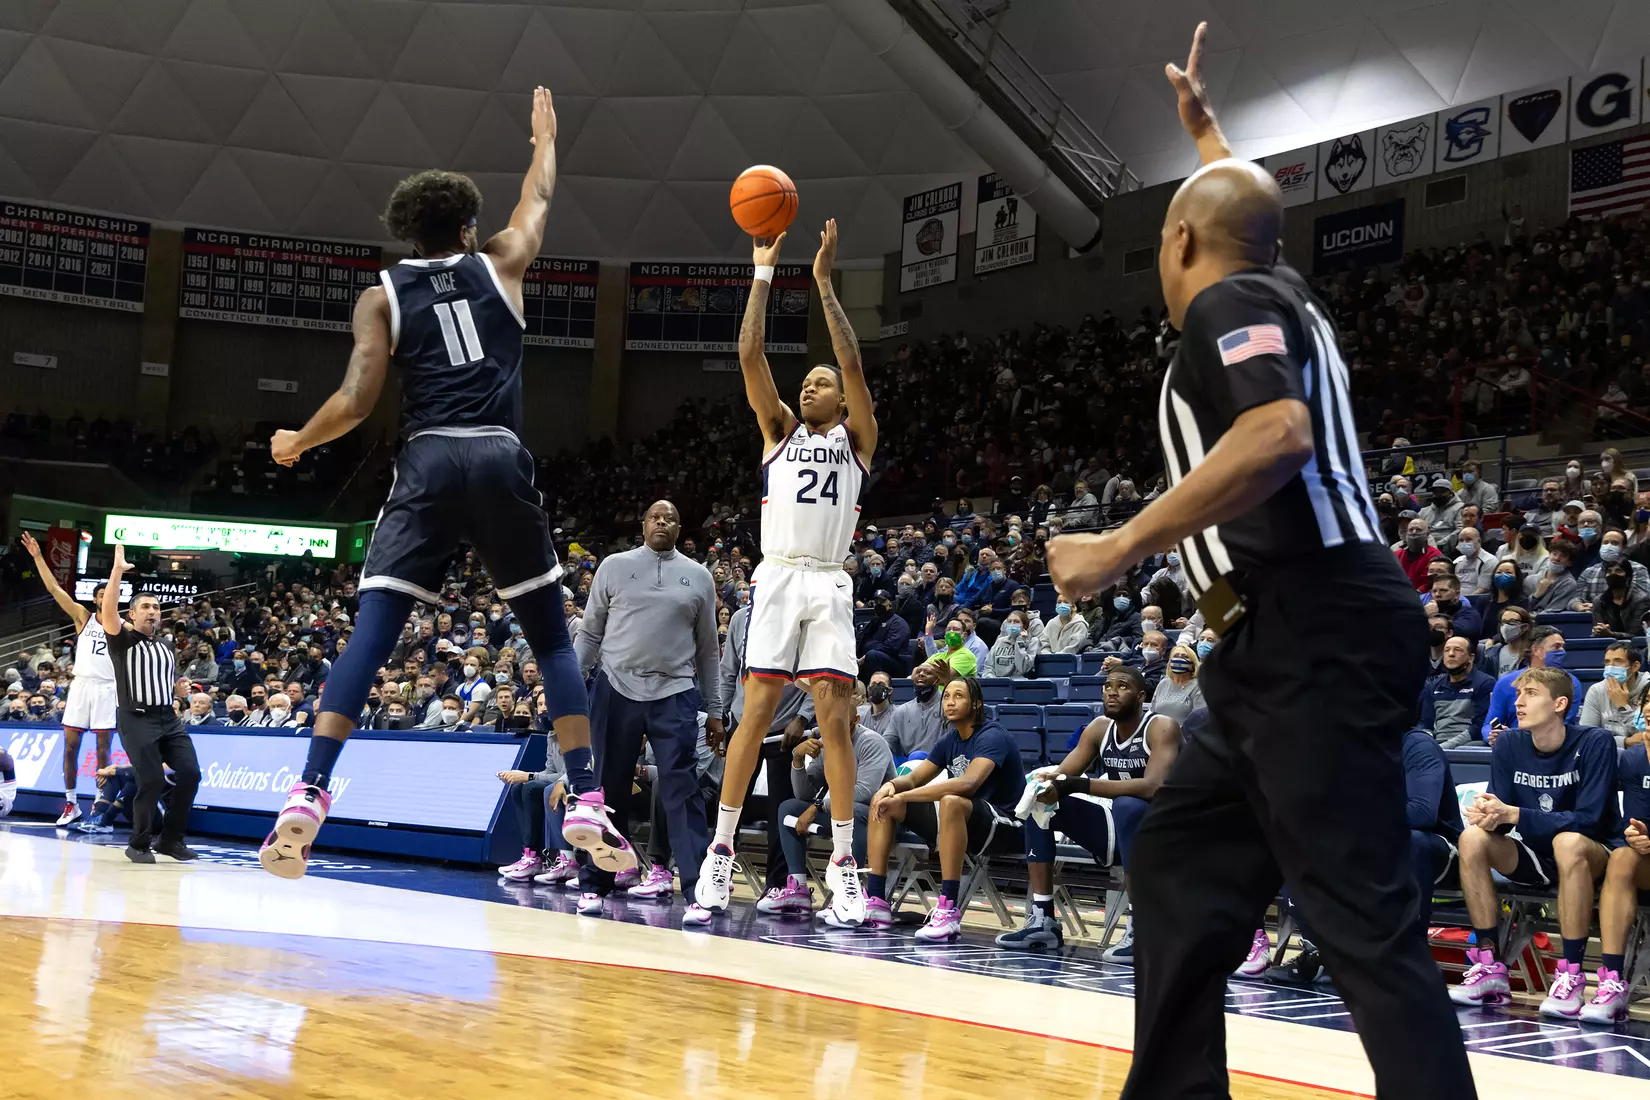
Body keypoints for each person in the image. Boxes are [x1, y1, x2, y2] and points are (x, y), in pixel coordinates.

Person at [1046, 25, 1474, 1097]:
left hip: (1308, 626)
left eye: (1167, 233)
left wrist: (1118, 544)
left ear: (1179, 238)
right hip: (1273, 644)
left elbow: (1277, 434)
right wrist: (1207, 136)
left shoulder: (1228, 303)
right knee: (1179, 855)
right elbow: (1247, 217)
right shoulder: (1280, 291)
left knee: (1362, 918)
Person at [257, 89, 627, 881]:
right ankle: (589, 797)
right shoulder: (500, 262)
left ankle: (310, 791)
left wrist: (296, 438)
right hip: (497, 453)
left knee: (373, 632)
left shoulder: (379, 295)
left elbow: (356, 403)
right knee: (551, 636)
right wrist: (544, 141)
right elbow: (539, 199)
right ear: (466, 227)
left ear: (405, 232)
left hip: (428, 461)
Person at [694, 218, 873, 927]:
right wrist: (763, 273)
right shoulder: (778, 432)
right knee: (758, 710)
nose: (812, 387)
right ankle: (720, 851)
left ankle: (845, 865)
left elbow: (854, 364)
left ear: (840, 400)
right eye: (806, 381)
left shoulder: (856, 440)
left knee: (834, 717)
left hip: (828, 579)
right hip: (777, 575)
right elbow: (748, 352)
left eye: (821, 382)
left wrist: (825, 283)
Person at [573, 500, 723, 925]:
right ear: (643, 525)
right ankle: (594, 884)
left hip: (675, 691)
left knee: (682, 790)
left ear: (680, 528)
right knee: (607, 789)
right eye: (656, 516)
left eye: (672, 517)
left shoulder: (698, 576)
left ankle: (696, 891)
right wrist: (570, 688)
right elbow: (590, 632)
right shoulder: (614, 566)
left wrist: (715, 710)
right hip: (615, 685)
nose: (663, 521)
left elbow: (709, 651)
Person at [1450, 668, 1616, 1019]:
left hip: (1594, 857)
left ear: (1559, 704)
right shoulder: (1509, 743)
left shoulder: (1595, 742)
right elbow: (1503, 818)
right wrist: (1488, 815)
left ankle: (1571, 974)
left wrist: (1514, 814)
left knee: (1569, 842)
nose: (1519, 702)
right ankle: (1489, 964)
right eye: (1518, 694)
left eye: (1530, 693)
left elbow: (1590, 820)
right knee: (1471, 838)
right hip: (1537, 856)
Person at [998, 669, 1180, 955]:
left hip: (1167, 835)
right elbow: (1063, 777)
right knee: (1042, 801)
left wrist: (1079, 784)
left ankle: (1143, 926)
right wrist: (1047, 785)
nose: (1112, 691)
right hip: (1122, 828)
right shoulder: (1098, 728)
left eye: (1122, 687)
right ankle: (1043, 918)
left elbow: (1153, 787)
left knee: (1129, 804)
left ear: (1141, 696)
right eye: (1107, 685)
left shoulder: (1161, 727)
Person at [862, 676, 1025, 941]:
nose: (949, 702)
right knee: (884, 804)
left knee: (950, 800)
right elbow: (914, 778)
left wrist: (906, 797)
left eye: (958, 696)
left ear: (977, 704)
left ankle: (948, 908)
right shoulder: (950, 740)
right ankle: (877, 900)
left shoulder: (993, 735)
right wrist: (891, 786)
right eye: (947, 696)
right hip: (960, 822)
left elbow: (968, 784)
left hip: (1006, 825)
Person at [97, 546, 201, 864]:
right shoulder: (121, 639)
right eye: (145, 606)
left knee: (191, 773)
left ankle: (170, 840)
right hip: (135, 717)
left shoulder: (167, 644)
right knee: (152, 779)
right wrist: (117, 572)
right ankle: (138, 843)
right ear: (132, 614)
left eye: (155, 606)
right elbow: (109, 611)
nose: (152, 611)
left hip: (168, 718)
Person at [20, 532, 116, 827]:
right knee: (71, 745)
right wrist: (38, 556)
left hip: (107, 689)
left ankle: (100, 808)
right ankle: (71, 803)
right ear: (96, 598)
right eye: (100, 594)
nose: (104, 598)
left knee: (103, 750)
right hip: (82, 686)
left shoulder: (123, 625)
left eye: (109, 594)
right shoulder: (82, 617)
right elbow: (52, 588)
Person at [761, 719, 896, 919]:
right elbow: (804, 794)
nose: (834, 722)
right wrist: (797, 759)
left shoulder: (871, 742)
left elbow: (865, 793)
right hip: (839, 813)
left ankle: (850, 893)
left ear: (855, 720)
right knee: (789, 808)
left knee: (856, 810)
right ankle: (798, 888)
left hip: (878, 820)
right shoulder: (825, 743)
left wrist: (817, 807)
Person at [1580, 729, 1650, 1022]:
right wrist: (1641, 836)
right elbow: (1634, 821)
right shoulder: (1635, 759)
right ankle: (1612, 981)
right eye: (1647, 719)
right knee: (1622, 856)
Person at [1482, 626, 1580, 739]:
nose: (1562, 651)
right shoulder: (1506, 682)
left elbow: (1561, 724)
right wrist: (1492, 735)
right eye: (1556, 647)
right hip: (1510, 745)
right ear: (1537, 650)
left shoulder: (1570, 683)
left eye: (1563, 647)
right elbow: (1488, 725)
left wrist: (1513, 737)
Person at [1418, 636, 1495, 748]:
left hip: (1468, 746)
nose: (1451, 654)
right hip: (1437, 744)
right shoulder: (1433, 685)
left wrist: (1443, 748)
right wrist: (1427, 744)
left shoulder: (1485, 683)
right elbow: (1425, 724)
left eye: (1458, 650)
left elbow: (1479, 726)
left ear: (1471, 658)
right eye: (1447, 650)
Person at [1579, 642, 1647, 746]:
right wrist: (1625, 742)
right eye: (1607, 662)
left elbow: (1645, 738)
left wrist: (1624, 706)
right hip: (1606, 753)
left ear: (1635, 666)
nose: (1610, 667)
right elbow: (1587, 737)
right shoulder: (1596, 690)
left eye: (1618, 661)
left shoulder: (1648, 690)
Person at [1592, 562, 1650, 640]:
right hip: (1607, 646)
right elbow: (1599, 630)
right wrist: (1599, 630)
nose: (1613, 574)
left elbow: (1637, 634)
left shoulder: (1641, 599)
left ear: (1628, 577)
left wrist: (1612, 634)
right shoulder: (1599, 601)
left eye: (1618, 571)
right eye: (1609, 571)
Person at [1150, 644, 1205, 721]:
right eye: (1175, 656)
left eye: (1185, 656)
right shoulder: (1163, 683)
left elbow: (1200, 718)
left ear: (1192, 664)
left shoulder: (1199, 686)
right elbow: (1152, 711)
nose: (1179, 659)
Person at [982, 610, 1042, 677]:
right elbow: (989, 665)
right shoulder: (1000, 641)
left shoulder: (1033, 642)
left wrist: (1020, 642)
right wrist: (992, 679)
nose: (1012, 624)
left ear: (1024, 626)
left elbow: (1023, 668)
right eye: (1009, 621)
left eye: (1016, 622)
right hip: (997, 682)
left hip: (1019, 684)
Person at [1527, 539, 1581, 613]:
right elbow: (1521, 608)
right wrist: (1536, 595)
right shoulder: (1530, 580)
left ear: (1569, 563)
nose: (1556, 558)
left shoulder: (1569, 584)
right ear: (1549, 555)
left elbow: (1552, 612)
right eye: (1554, 554)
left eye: (1563, 556)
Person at [1453, 527, 1496, 597]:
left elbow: (1483, 589)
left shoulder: (1489, 561)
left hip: (1478, 600)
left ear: (1479, 541)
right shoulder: (1456, 562)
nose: (1464, 543)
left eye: (1468, 539)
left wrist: (1464, 600)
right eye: (1461, 540)